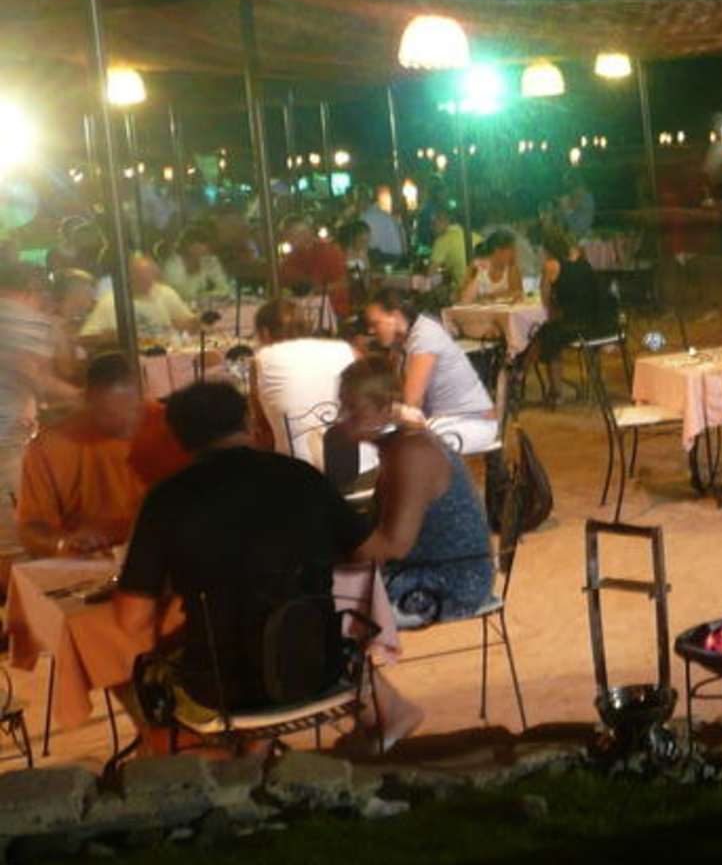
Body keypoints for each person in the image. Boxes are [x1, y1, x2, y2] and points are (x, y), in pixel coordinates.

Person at [114, 381, 368, 714]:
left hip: (221, 688)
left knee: (144, 675)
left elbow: (132, 620)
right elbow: (365, 551)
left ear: (178, 438)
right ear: (247, 421)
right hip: (319, 668)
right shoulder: (302, 476)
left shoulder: (166, 499)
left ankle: (180, 748)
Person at [337, 360, 494, 628]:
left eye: (353, 408)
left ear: (385, 409)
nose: (342, 417)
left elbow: (394, 547)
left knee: (320, 599)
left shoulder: (412, 453)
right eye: (342, 405)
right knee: (326, 582)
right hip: (427, 567)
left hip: (451, 583)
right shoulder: (397, 444)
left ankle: (355, 652)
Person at [14, 352, 147, 558]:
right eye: (109, 414)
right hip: (86, 562)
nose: (125, 423)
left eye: (132, 411)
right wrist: (62, 544)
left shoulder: (164, 428)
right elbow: (31, 530)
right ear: (88, 402)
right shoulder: (48, 448)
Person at [360, 291, 497, 456]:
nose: (371, 330)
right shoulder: (402, 341)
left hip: (470, 422)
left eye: (375, 323)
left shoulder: (424, 337)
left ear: (395, 316)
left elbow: (411, 404)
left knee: (405, 448)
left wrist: (380, 407)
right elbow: (395, 391)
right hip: (444, 421)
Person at [0, 262, 72, 560]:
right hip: (6, 441)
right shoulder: (18, 318)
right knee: (16, 541)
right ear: (30, 289)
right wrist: (86, 399)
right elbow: (40, 378)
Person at [251, 298, 363, 477]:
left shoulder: (262, 359)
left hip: (301, 478)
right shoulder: (347, 349)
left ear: (264, 333)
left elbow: (262, 429)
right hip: (363, 468)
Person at [532, 230, 618, 407]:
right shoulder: (583, 262)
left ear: (547, 250)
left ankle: (556, 392)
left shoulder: (551, 266)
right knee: (553, 332)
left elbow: (545, 301)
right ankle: (595, 385)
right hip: (598, 323)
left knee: (545, 335)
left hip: (574, 326)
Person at [80, 254, 204, 343]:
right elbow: (85, 339)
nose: (147, 284)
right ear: (128, 277)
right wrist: (110, 337)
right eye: (140, 279)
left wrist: (198, 322)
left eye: (150, 279)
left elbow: (189, 324)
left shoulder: (165, 293)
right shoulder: (111, 301)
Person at [278, 220, 350, 319]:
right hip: (299, 308)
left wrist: (316, 290)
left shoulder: (329, 252)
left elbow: (343, 283)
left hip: (331, 309)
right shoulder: (290, 259)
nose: (291, 239)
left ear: (309, 233)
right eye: (289, 236)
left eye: (296, 234)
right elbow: (284, 284)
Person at [161, 226, 233, 308]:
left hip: (204, 308)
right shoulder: (173, 267)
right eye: (200, 244)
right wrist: (205, 297)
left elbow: (224, 288)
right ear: (188, 245)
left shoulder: (210, 262)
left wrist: (208, 297)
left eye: (205, 244)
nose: (205, 248)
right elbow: (181, 295)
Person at [458, 231, 523, 302]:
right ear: (498, 251)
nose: (515, 253)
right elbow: (463, 298)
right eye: (512, 250)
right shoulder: (477, 267)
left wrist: (491, 296)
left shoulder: (512, 268)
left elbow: (517, 294)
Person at [361, 186, 406, 259]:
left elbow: (366, 245)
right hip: (397, 257)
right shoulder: (387, 216)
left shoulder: (365, 217)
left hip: (380, 258)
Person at [559, 172, 596, 240]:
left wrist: (565, 206)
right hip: (581, 226)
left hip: (581, 227)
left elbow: (572, 206)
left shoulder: (581, 193)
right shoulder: (577, 193)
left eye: (566, 182)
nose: (565, 185)